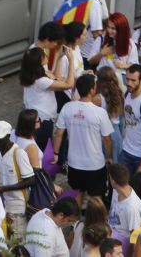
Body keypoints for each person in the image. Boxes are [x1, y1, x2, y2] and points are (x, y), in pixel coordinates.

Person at [53, 74, 114, 205]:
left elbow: (58, 133)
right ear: (91, 90)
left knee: (77, 194)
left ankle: (75, 217)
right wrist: (109, 156)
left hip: (74, 163)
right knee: (96, 199)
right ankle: (95, 218)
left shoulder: (67, 107)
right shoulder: (100, 112)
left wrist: (56, 154)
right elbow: (107, 139)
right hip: (95, 164)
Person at [0, 120, 35, 240]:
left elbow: (30, 180)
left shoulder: (18, 153)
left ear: (8, 136)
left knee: (17, 240)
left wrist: (4, 189)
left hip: (17, 206)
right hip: (0, 205)